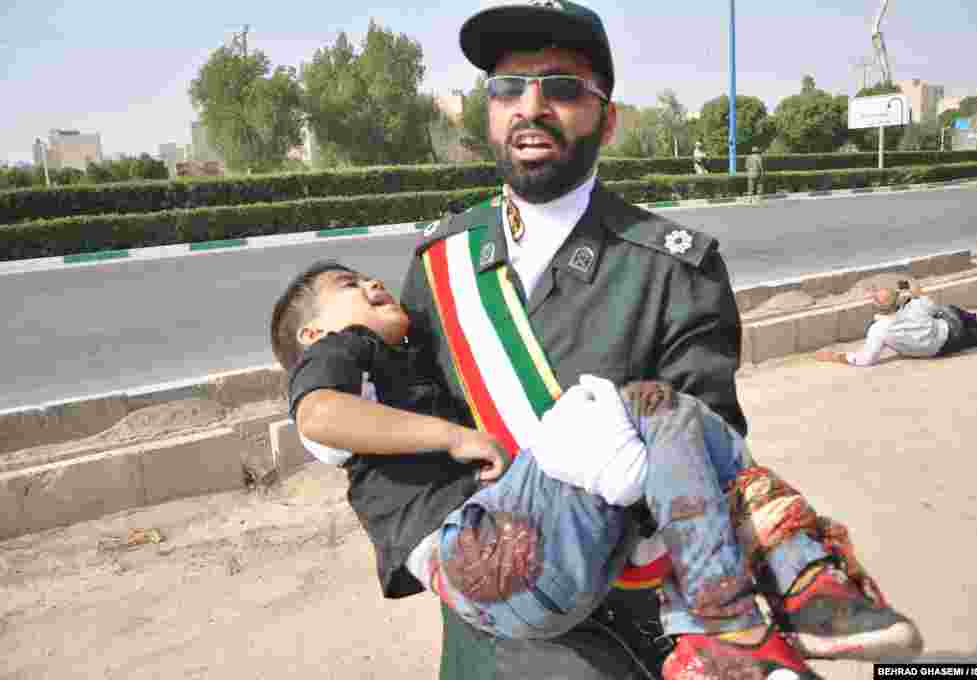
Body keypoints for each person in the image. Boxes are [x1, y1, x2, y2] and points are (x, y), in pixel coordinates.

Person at [301, 2, 921, 677]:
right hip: (488, 632)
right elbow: (402, 425)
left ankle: (758, 612)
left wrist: (618, 476)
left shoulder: (673, 268)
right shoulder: (439, 262)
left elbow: (713, 461)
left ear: (608, 117)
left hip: (621, 638)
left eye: (562, 88)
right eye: (507, 87)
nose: (529, 107)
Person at [272, 263, 920, 680]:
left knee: (678, 438)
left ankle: (744, 617)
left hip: (530, 587)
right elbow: (320, 418)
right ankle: (764, 603)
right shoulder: (341, 352)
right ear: (312, 335)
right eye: (348, 288)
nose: (371, 283)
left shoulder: (403, 362)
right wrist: (455, 436)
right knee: (643, 405)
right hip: (476, 553)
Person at [816, 284, 977, 367]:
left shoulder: (878, 329)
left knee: (975, 338)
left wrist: (835, 357)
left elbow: (865, 359)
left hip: (937, 349)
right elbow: (931, 304)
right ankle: (976, 321)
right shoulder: (916, 307)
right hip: (950, 332)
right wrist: (916, 291)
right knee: (948, 309)